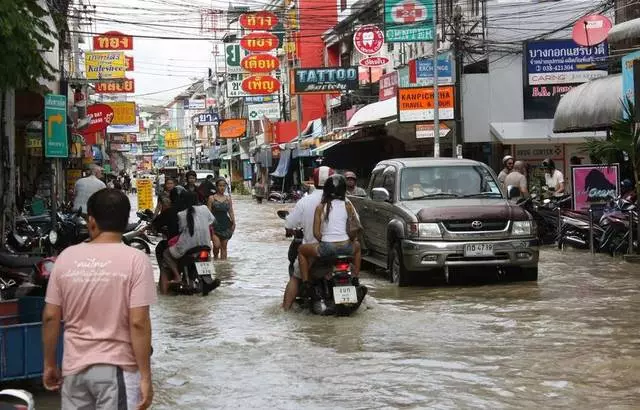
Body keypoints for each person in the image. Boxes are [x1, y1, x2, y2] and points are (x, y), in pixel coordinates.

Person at [42, 189, 156, 410]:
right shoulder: (136, 260)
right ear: (125, 221)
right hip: (117, 369)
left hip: (74, 370)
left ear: (91, 221)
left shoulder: (66, 257)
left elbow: (50, 316)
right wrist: (145, 376)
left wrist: (49, 364)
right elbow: (138, 322)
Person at [297, 174, 362, 292]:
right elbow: (352, 229)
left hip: (327, 248)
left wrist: (326, 240)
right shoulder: (348, 205)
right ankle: (355, 277)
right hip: (346, 247)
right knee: (358, 248)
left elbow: (316, 233)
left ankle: (306, 283)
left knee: (301, 250)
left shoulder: (321, 207)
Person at [282, 166, 334, 310]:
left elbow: (290, 223)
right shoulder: (343, 201)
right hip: (339, 250)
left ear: (313, 181)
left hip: (314, 250)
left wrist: (289, 229)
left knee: (295, 277)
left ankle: (285, 309)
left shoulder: (306, 201)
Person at [163, 191, 216, 282]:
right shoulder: (204, 208)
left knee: (166, 254)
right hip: (206, 245)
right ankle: (207, 278)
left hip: (188, 247)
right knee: (206, 258)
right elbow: (212, 221)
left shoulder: (181, 214)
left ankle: (177, 276)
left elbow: (181, 230)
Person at [208, 177, 236, 260]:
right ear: (216, 187)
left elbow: (231, 211)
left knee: (224, 246)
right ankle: (216, 259)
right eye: (220, 186)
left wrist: (234, 222)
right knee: (216, 245)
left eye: (224, 186)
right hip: (214, 225)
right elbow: (208, 213)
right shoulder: (211, 198)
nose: (222, 188)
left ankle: (223, 267)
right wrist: (208, 225)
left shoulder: (228, 199)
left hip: (226, 224)